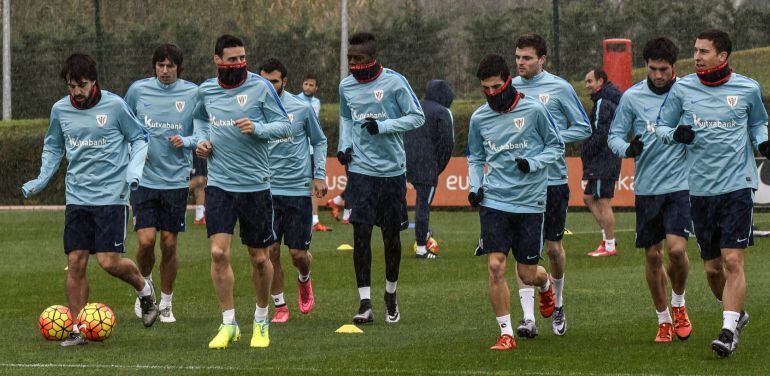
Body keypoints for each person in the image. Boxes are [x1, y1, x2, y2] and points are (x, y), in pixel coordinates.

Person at [22, 53, 158, 346]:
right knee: (76, 261)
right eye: (71, 86)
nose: (76, 92)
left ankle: (144, 288)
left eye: (81, 85)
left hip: (112, 196)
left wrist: (134, 171)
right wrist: (41, 179)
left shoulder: (115, 106)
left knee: (109, 262)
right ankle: (77, 328)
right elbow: (53, 146)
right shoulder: (60, 109)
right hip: (77, 196)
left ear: (94, 81)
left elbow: (140, 138)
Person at [656, 29, 769, 357]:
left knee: (733, 260)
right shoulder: (682, 89)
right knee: (712, 269)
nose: (696, 56)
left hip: (738, 185)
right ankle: (737, 314)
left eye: (703, 51)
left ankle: (728, 331)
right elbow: (661, 127)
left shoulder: (748, 88)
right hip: (700, 189)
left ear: (723, 56)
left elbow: (758, 123)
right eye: (695, 50)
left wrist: (763, 142)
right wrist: (676, 134)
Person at [193, 34, 292, 349]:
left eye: (242, 58)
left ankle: (261, 321)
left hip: (255, 187)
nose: (239, 63)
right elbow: (198, 120)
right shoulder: (206, 90)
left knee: (260, 258)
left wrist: (258, 128)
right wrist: (201, 141)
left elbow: (285, 125)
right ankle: (228, 324)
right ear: (217, 60)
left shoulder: (260, 88)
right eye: (232, 59)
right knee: (218, 253)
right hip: (219, 185)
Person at [468, 54, 562, 351]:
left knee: (527, 273)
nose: (491, 93)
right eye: (486, 89)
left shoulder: (534, 110)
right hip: (495, 200)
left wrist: (533, 163)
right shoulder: (479, 118)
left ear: (508, 81)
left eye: (496, 87)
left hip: (530, 203)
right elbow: (475, 157)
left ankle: (545, 284)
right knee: (496, 266)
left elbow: (556, 147)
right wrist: (475, 186)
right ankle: (506, 333)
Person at [608, 37, 693, 342]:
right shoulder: (632, 98)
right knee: (654, 257)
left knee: (677, 251)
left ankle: (679, 303)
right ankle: (663, 319)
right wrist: (627, 149)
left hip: (681, 185)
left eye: (664, 69)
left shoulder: (687, 93)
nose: (658, 75)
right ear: (645, 65)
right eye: (653, 69)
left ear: (674, 67)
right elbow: (614, 136)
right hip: (647, 188)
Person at [338, 32, 425, 324]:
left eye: (358, 58)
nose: (353, 64)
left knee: (390, 237)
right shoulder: (346, 86)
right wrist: (344, 145)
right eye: (350, 59)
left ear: (373, 58)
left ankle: (390, 293)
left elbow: (417, 116)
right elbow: (346, 117)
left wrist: (384, 126)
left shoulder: (395, 82)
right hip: (360, 171)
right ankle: (364, 303)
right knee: (361, 234)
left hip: (391, 173)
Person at [511, 33, 591, 337]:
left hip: (553, 181)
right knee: (523, 250)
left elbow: (583, 127)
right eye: (517, 57)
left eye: (527, 58)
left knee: (554, 249)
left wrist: (551, 139)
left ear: (542, 59)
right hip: (520, 182)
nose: (520, 62)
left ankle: (558, 303)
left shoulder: (559, 88)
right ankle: (528, 318)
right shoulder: (510, 89)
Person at [124, 43, 199, 324]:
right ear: (154, 66)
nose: (165, 70)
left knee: (168, 243)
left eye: (170, 66)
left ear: (179, 67)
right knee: (146, 242)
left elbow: (203, 129)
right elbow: (123, 125)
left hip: (176, 180)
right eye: (160, 65)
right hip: (144, 178)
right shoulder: (137, 90)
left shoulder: (193, 93)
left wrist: (188, 141)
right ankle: (145, 290)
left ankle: (166, 303)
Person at [258, 58, 328, 323]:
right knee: (271, 251)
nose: (268, 86)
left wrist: (319, 175)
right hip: (265, 190)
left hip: (298, 190)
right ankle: (280, 306)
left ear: (285, 82)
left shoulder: (301, 108)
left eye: (274, 81)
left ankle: (304, 278)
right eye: (264, 81)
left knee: (298, 254)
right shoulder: (253, 109)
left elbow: (319, 141)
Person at [404, 79, 455, 259]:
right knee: (423, 205)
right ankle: (421, 247)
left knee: (396, 204)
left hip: (405, 162)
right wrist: (436, 166)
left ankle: (397, 240)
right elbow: (447, 144)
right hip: (427, 166)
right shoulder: (443, 112)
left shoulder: (414, 106)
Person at [582, 68, 622, 257]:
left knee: (603, 201)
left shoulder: (602, 103)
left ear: (600, 82)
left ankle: (610, 245)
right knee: (588, 198)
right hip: (606, 158)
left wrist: (586, 151)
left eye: (590, 81)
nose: (587, 85)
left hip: (603, 159)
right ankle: (608, 237)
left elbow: (601, 133)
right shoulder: (608, 100)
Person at [299, 73, 331, 232]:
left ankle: (315, 220)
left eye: (311, 85)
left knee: (313, 185)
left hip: (312, 150)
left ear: (316, 88)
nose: (308, 87)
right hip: (299, 151)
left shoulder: (316, 103)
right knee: (299, 184)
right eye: (306, 84)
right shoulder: (296, 100)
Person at [190, 154, 208, 225]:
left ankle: (199, 216)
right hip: (194, 154)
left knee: (202, 183)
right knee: (199, 179)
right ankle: (172, 199)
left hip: (203, 156)